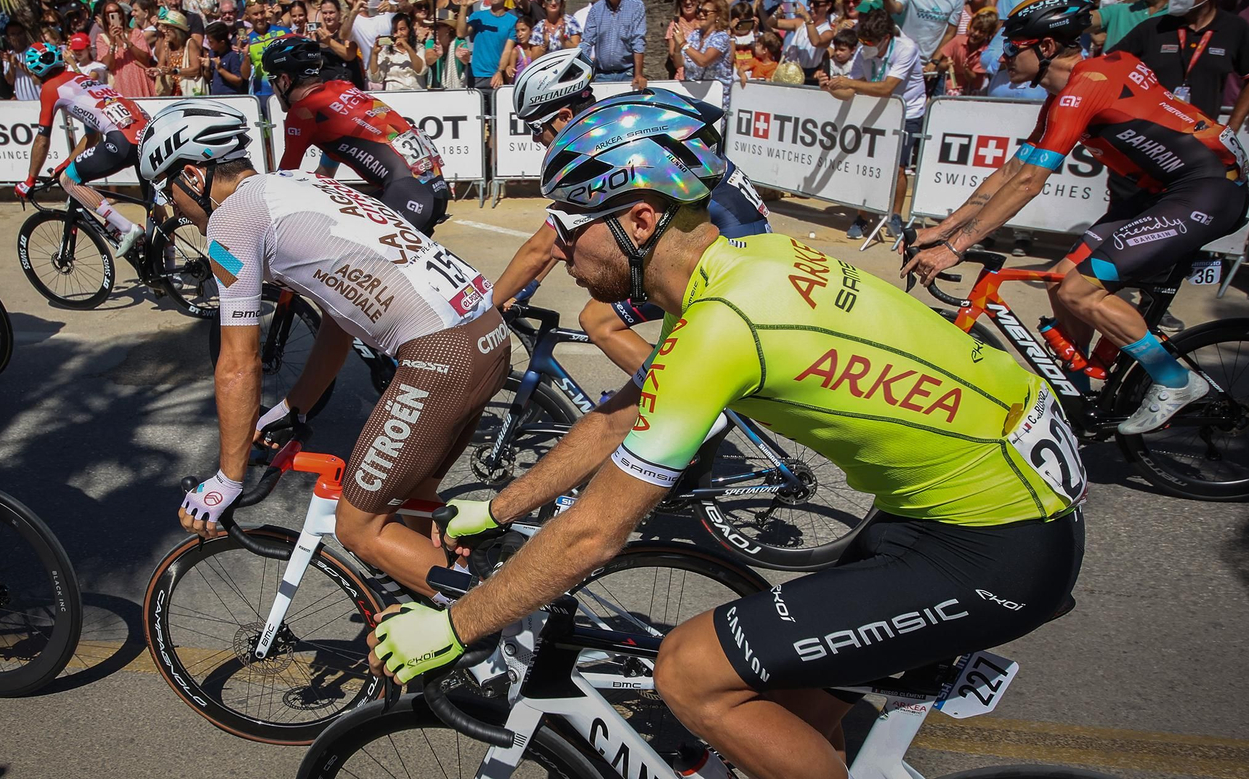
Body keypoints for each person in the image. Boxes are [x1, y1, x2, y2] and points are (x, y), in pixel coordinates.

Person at [367, 98, 1084, 779]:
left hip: (993, 542)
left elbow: (593, 533)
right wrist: (498, 507)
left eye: (570, 220)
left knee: (688, 671)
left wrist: (455, 627)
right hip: (966, 503)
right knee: (786, 720)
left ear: (640, 219)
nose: (555, 243)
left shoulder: (721, 328)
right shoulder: (756, 259)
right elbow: (626, 411)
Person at [135, 100, 509, 602]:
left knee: (359, 527)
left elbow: (238, 363)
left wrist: (228, 477)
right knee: (413, 496)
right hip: (487, 334)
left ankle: (498, 613)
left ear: (192, 175)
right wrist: (297, 406)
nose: (173, 208)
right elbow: (341, 316)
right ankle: (444, 607)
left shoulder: (231, 222)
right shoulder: (300, 182)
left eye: (168, 191)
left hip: (443, 355)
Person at [905, 0, 1249, 434]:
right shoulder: (1065, 94)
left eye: (1012, 48)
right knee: (1060, 280)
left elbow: (1029, 184)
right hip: (1164, 192)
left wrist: (955, 248)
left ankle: (1175, 381)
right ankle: (1077, 391)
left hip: (1208, 190)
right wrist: (944, 228)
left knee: (1080, 291)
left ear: (1047, 47)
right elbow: (1012, 171)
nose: (1002, 57)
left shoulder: (1085, 88)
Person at [496, 54, 771, 372]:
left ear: (564, 115)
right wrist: (526, 288)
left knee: (598, 320)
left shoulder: (601, 148)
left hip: (733, 242)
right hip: (744, 230)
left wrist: (487, 311)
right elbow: (565, 233)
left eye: (534, 127)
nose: (534, 137)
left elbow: (541, 248)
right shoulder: (616, 124)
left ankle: (674, 395)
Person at [266, 38, 449, 232]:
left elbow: (284, 181)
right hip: (432, 188)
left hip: (409, 195)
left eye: (272, 81)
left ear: (284, 80)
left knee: (343, 244)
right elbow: (327, 169)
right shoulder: (341, 87)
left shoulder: (303, 112)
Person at [13, 42, 149, 258]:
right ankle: (166, 267)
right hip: (146, 135)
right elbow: (91, 137)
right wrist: (66, 163)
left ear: (34, 72)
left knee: (68, 181)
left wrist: (29, 181)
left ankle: (126, 228)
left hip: (122, 141)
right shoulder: (82, 79)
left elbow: (42, 140)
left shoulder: (50, 88)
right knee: (155, 209)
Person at [1110, 0, 1249, 127]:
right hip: (1148, 133)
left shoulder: (1235, 28)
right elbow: (1109, 64)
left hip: (1202, 134)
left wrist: (1232, 127)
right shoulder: (1154, 26)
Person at [820, 4, 924, 240]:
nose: (864, 46)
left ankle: (895, 215)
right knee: (867, 165)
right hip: (877, 111)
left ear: (886, 38)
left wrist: (849, 82)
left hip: (907, 112)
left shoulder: (906, 49)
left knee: (898, 168)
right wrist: (830, 88)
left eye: (869, 42)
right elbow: (849, 92)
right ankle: (863, 216)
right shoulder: (863, 52)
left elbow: (887, 88)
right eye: (862, 41)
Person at [581, 0, 648, 88]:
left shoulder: (636, 6)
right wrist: (580, 73)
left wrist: (638, 74)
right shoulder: (596, 9)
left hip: (627, 73)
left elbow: (638, 41)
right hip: (602, 74)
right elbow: (587, 41)